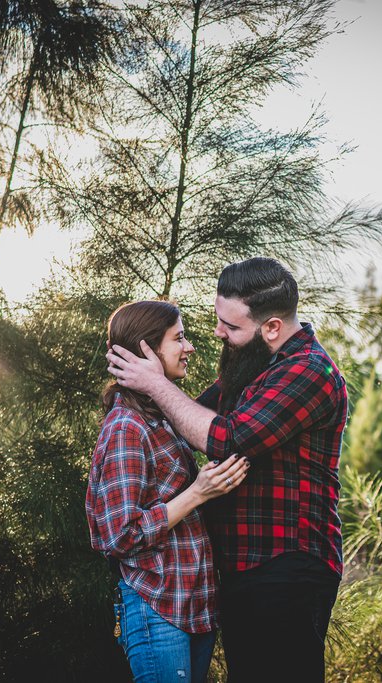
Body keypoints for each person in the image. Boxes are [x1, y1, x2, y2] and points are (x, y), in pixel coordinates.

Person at [107, 258, 348, 682]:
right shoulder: (255, 363)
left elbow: (229, 438)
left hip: (286, 568)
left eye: (231, 326)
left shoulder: (309, 370)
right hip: (245, 570)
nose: (218, 332)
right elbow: (189, 418)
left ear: (271, 327)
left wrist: (156, 385)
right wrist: (139, 393)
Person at [86, 300, 250, 683]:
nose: (189, 347)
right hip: (157, 610)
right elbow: (119, 535)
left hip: (192, 609)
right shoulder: (127, 427)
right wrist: (198, 493)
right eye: (179, 338)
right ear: (146, 349)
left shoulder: (161, 421)